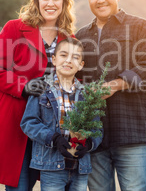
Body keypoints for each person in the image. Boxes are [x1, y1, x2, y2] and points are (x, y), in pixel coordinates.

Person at [0, 0, 76, 190]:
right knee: (19, 185)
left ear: (64, 3)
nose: (50, 3)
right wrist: (24, 86)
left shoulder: (71, 39)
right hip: (15, 122)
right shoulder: (14, 28)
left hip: (51, 129)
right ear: (36, 1)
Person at [75, 0, 146, 191]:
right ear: (88, 0)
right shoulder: (81, 37)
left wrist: (114, 85)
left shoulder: (142, 28)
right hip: (94, 137)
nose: (100, 0)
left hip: (130, 132)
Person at [21, 38, 102, 191]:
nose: (68, 61)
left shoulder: (87, 94)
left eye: (75, 57)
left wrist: (90, 144)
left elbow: (97, 128)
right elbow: (29, 123)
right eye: (64, 55)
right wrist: (54, 138)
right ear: (54, 59)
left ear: (81, 65)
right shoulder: (41, 89)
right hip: (51, 166)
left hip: (80, 167)